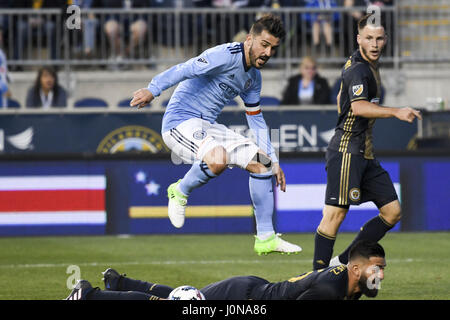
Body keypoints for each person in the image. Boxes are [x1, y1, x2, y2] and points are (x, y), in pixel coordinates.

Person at [130, 14, 302, 255]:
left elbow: (256, 119)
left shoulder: (253, 78)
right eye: (264, 45)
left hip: (207, 126)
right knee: (218, 158)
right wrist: (153, 89)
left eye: (273, 48)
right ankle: (179, 191)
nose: (268, 53)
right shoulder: (224, 55)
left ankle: (266, 238)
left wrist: (273, 159)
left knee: (262, 164)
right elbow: (185, 69)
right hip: (179, 122)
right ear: (250, 39)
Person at [312, 13, 422, 271]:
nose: (374, 44)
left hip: (365, 153)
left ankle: (342, 261)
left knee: (393, 211)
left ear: (385, 40)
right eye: (369, 38)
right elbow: (359, 107)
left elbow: (342, 97)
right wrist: (396, 111)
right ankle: (316, 280)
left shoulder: (361, 62)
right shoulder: (360, 68)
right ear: (359, 38)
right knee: (334, 216)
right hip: (347, 151)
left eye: (379, 38)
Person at [65, 240, 386, 300]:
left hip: (252, 290)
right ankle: (89, 294)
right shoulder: (330, 290)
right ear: (355, 268)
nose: (380, 275)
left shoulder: (346, 284)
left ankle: (119, 282)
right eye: (376, 269)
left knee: (189, 298)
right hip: (244, 298)